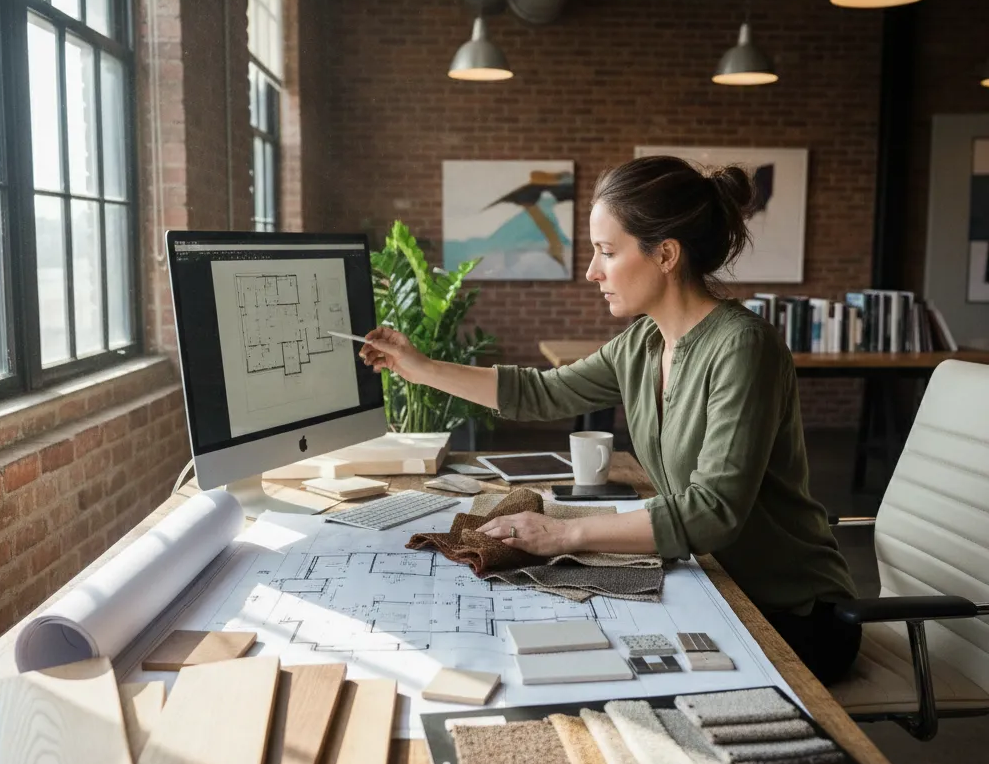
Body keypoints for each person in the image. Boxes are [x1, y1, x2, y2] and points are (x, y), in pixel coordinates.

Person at [361, 155, 860, 687]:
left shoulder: (743, 347)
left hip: (793, 617)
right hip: (715, 586)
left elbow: (713, 513)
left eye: (606, 252)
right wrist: (421, 367)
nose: (592, 271)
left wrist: (564, 534)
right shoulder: (644, 343)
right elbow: (540, 392)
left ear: (665, 254)